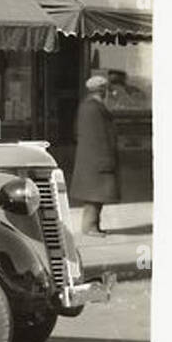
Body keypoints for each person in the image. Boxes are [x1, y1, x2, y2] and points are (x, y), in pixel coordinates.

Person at [70, 74, 118, 238]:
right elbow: (101, 136)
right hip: (98, 159)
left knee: (95, 195)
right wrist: (106, 159)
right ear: (102, 90)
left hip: (90, 158)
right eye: (106, 89)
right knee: (95, 195)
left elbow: (76, 132)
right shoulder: (95, 108)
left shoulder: (87, 106)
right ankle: (90, 227)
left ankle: (93, 226)